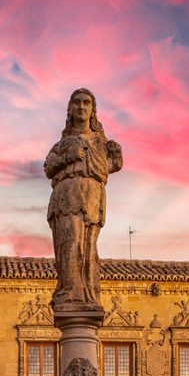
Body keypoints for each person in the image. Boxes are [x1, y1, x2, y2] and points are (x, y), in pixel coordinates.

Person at [44, 88, 123, 310]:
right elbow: (49, 167)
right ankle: (70, 292)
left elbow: (107, 167)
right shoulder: (61, 145)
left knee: (89, 249)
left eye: (86, 102)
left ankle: (88, 293)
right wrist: (69, 157)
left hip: (92, 196)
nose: (81, 106)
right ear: (70, 109)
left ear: (92, 110)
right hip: (66, 196)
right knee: (69, 244)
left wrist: (116, 157)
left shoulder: (100, 143)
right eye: (77, 102)